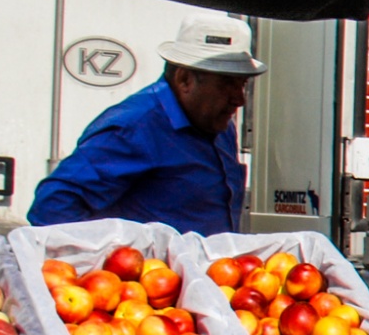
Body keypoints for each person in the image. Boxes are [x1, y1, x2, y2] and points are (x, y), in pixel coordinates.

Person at [29, 14, 262, 235]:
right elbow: (53, 207)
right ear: (184, 80)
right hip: (153, 274)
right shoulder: (134, 128)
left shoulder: (219, 126)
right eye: (227, 85)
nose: (239, 99)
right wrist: (108, 265)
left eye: (242, 85)